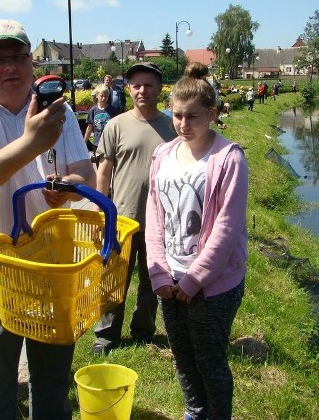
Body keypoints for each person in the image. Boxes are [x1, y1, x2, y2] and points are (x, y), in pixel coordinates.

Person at [0, 19, 95, 420]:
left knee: (51, 385)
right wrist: (31, 143)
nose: (9, 67)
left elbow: (86, 171)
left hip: (52, 269)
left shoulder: (54, 112)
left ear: (31, 61)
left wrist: (66, 186)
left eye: (17, 57)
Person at [145, 65, 248, 420]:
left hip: (213, 284)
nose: (183, 124)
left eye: (193, 116)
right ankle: (195, 412)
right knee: (184, 358)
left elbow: (227, 226)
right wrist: (160, 276)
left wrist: (195, 279)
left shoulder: (228, 158)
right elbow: (155, 216)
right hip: (171, 280)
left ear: (213, 114)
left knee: (210, 360)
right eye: (176, 115)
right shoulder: (162, 155)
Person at [91, 62, 176, 355]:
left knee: (152, 279)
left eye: (148, 85)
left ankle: (143, 331)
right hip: (122, 219)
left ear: (159, 88)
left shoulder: (172, 127)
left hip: (160, 221)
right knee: (114, 279)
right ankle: (106, 335)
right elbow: (103, 172)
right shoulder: (116, 125)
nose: (142, 90)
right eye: (136, 85)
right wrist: (102, 212)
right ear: (128, 89)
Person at [83, 84, 118, 154]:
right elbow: (89, 128)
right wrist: (84, 142)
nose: (104, 98)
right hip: (97, 142)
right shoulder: (93, 110)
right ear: (97, 96)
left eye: (106, 96)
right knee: (98, 163)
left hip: (110, 142)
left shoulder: (113, 110)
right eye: (101, 96)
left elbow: (117, 127)